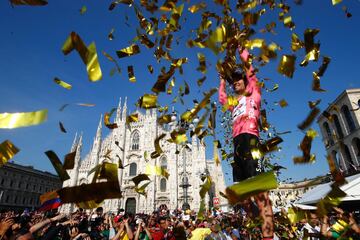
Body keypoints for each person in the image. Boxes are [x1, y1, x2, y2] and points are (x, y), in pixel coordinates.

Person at [218, 45, 274, 239]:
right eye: (233, 83)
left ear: (245, 82)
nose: (235, 84)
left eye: (237, 80)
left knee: (260, 192)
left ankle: (268, 236)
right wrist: (222, 81)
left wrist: (242, 51)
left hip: (251, 140)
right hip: (237, 145)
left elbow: (250, 71)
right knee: (241, 196)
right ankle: (260, 228)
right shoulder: (233, 103)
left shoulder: (254, 94)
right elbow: (222, 98)